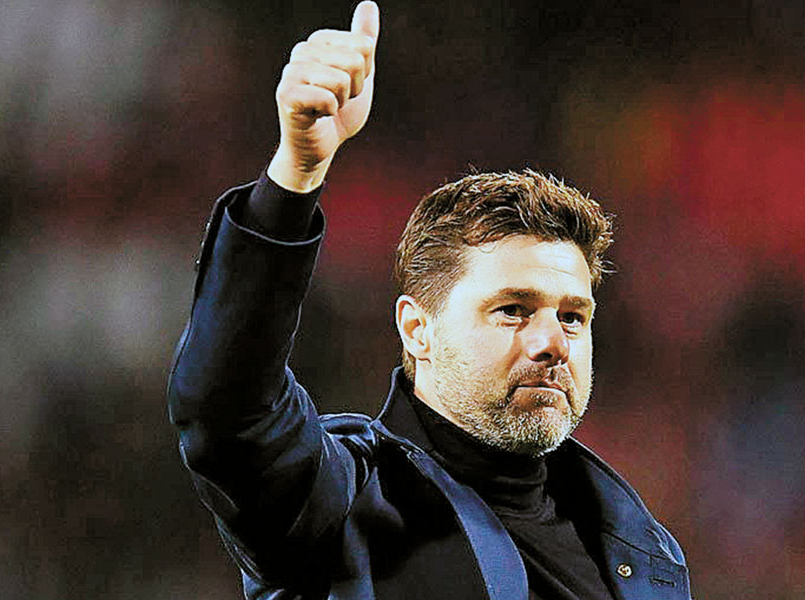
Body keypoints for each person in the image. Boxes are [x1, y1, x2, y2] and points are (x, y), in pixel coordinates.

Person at [166, 2, 690, 598]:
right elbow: (227, 409)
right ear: (418, 330)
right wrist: (295, 173)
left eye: (573, 317)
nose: (551, 342)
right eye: (513, 310)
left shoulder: (642, 552)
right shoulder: (340, 505)